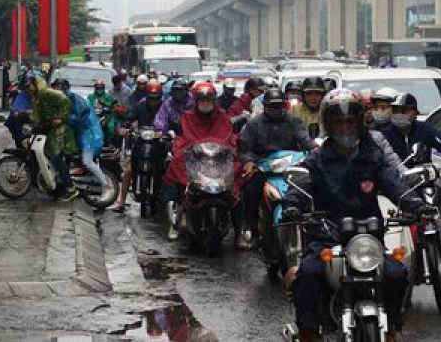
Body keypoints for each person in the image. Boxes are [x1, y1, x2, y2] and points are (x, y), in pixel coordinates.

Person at [280, 89, 421, 342]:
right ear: (329, 125)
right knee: (308, 274)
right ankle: (308, 332)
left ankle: (389, 327)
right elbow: (299, 187)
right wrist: (292, 205)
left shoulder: (372, 158)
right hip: (327, 236)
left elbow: (395, 185)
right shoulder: (317, 159)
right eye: (339, 122)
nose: (345, 127)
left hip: (368, 239)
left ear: (358, 123)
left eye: (350, 121)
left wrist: (415, 204)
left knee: (397, 274)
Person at [237, 88, 315, 250]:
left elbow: (304, 138)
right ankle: (253, 230)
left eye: (280, 106)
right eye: (272, 107)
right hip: (264, 167)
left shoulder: (293, 120)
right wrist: (249, 162)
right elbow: (245, 148)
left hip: (290, 167)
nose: (276, 110)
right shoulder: (254, 124)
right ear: (265, 106)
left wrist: (314, 148)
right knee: (250, 191)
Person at [163, 82, 238, 241]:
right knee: (175, 164)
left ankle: (241, 229)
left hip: (218, 157)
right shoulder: (188, 117)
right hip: (195, 157)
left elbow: (226, 135)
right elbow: (188, 137)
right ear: (196, 101)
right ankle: (177, 215)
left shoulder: (222, 115)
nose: (205, 104)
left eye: (208, 100)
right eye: (202, 100)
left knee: (241, 171)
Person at [113, 81, 166, 212]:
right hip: (141, 143)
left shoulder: (165, 107)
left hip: (158, 144)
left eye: (156, 98)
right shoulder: (140, 106)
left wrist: (164, 133)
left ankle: (168, 200)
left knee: (167, 169)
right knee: (128, 171)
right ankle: (121, 202)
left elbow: (169, 122)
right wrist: (124, 127)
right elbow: (130, 117)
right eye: (151, 98)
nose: (153, 102)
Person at [27, 75, 78, 201]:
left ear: (35, 84)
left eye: (30, 85)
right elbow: (38, 115)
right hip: (50, 129)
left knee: (56, 157)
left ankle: (70, 188)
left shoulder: (47, 93)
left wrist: (60, 118)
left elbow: (65, 101)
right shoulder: (37, 97)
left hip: (60, 131)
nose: (28, 88)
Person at [57, 79, 112, 194]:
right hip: (80, 134)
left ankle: (105, 184)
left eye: (59, 87)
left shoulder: (74, 99)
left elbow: (80, 117)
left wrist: (65, 119)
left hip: (90, 135)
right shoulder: (63, 100)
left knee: (87, 161)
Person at [378, 92, 441, 165]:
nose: (399, 114)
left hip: (422, 173)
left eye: (403, 111)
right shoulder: (385, 134)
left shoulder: (425, 129)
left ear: (415, 112)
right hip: (396, 173)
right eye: (395, 111)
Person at [88, 79, 119, 143]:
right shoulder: (90, 96)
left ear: (103, 88)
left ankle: (110, 142)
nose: (99, 89)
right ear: (95, 88)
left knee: (111, 127)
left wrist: (106, 105)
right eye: (97, 88)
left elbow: (112, 105)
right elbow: (87, 105)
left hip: (106, 116)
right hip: (93, 116)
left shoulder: (108, 96)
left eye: (101, 88)